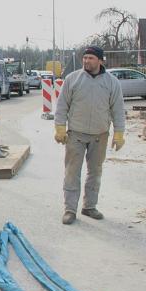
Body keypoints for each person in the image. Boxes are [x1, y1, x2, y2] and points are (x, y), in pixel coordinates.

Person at [54, 45, 126, 225]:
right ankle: (70, 210)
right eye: (85, 58)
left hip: (99, 135)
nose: (86, 61)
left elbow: (117, 109)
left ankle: (89, 206)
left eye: (91, 58)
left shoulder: (111, 82)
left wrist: (119, 133)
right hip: (76, 135)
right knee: (72, 173)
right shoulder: (72, 79)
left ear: (100, 61)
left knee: (95, 172)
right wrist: (60, 128)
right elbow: (62, 106)